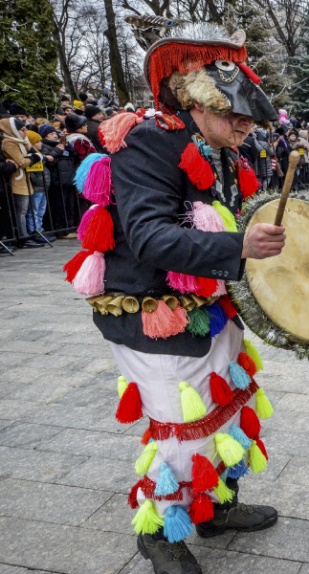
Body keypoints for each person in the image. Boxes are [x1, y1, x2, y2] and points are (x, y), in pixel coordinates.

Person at [63, 26, 284, 574]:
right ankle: (160, 531)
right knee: (181, 431)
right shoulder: (149, 140)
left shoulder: (220, 148)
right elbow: (148, 237)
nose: (246, 126)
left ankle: (213, 507)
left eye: (249, 118)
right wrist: (239, 246)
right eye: (235, 115)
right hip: (152, 311)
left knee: (230, 406)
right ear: (197, 100)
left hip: (209, 303)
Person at [1, 118, 45, 248]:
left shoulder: (23, 141)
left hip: (26, 178)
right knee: (21, 211)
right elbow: (22, 162)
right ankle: (23, 237)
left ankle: (26, 235)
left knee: (26, 210)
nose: (25, 133)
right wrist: (35, 157)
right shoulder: (9, 142)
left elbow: (38, 154)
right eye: (22, 130)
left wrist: (34, 156)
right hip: (17, 180)